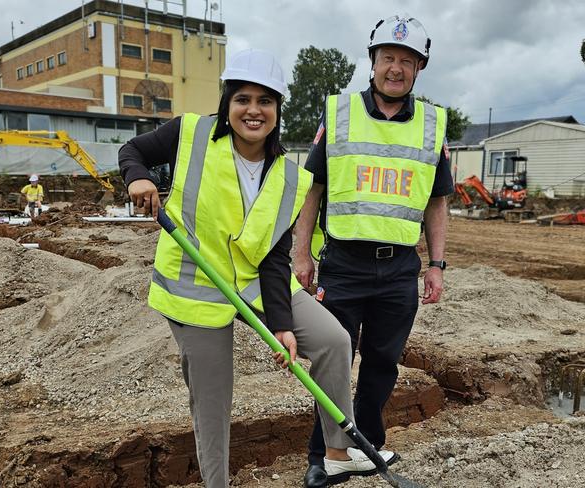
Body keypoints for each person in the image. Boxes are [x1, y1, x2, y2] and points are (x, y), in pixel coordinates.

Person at [119, 48, 386, 488]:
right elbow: (132, 151)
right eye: (243, 99)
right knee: (213, 399)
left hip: (255, 281)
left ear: (278, 110)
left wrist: (281, 324)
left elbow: (273, 258)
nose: (253, 110)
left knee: (332, 340)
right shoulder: (190, 133)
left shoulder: (288, 175)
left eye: (265, 101)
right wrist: (138, 177)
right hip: (196, 288)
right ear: (227, 103)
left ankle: (337, 451)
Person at [294, 15, 454, 487]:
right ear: (372, 62)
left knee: (382, 364)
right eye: (388, 58)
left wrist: (437, 265)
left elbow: (437, 202)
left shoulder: (432, 124)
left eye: (407, 61)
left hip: (400, 268)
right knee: (333, 361)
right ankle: (323, 456)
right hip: (342, 265)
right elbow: (312, 190)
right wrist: (302, 255)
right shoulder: (339, 113)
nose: (396, 68)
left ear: (420, 68)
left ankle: (364, 444)